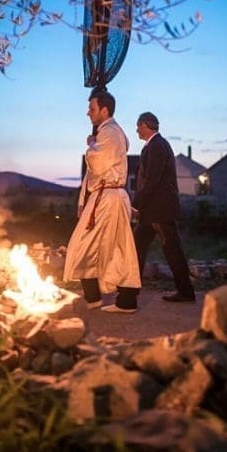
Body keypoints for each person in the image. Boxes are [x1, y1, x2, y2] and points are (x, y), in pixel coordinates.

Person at [63, 91, 141, 313]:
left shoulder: (110, 133)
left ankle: (101, 297)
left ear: (104, 110)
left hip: (109, 198)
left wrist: (91, 145)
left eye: (92, 108)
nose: (88, 112)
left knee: (86, 244)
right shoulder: (108, 132)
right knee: (116, 247)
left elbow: (98, 164)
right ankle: (115, 299)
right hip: (106, 196)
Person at [131, 112, 195, 303]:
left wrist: (136, 204)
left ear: (144, 125)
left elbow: (151, 180)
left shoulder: (157, 146)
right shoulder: (156, 145)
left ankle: (185, 292)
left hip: (159, 211)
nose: (136, 130)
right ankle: (130, 289)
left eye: (137, 126)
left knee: (171, 250)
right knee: (137, 246)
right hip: (153, 211)